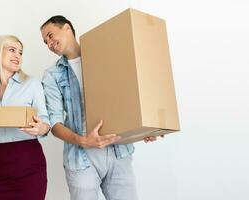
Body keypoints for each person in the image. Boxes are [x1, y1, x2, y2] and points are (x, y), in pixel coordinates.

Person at [41, 16, 161, 200]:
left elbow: (128, 98)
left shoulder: (105, 55)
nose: (49, 43)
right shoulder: (52, 75)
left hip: (118, 150)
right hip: (81, 158)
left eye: (50, 35)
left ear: (67, 28)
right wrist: (83, 141)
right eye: (45, 41)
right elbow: (54, 124)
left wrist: (144, 129)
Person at [0, 35, 50, 200]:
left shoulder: (32, 84)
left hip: (29, 165)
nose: (17, 56)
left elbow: (45, 122)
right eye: (12, 50)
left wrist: (40, 128)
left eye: (20, 52)